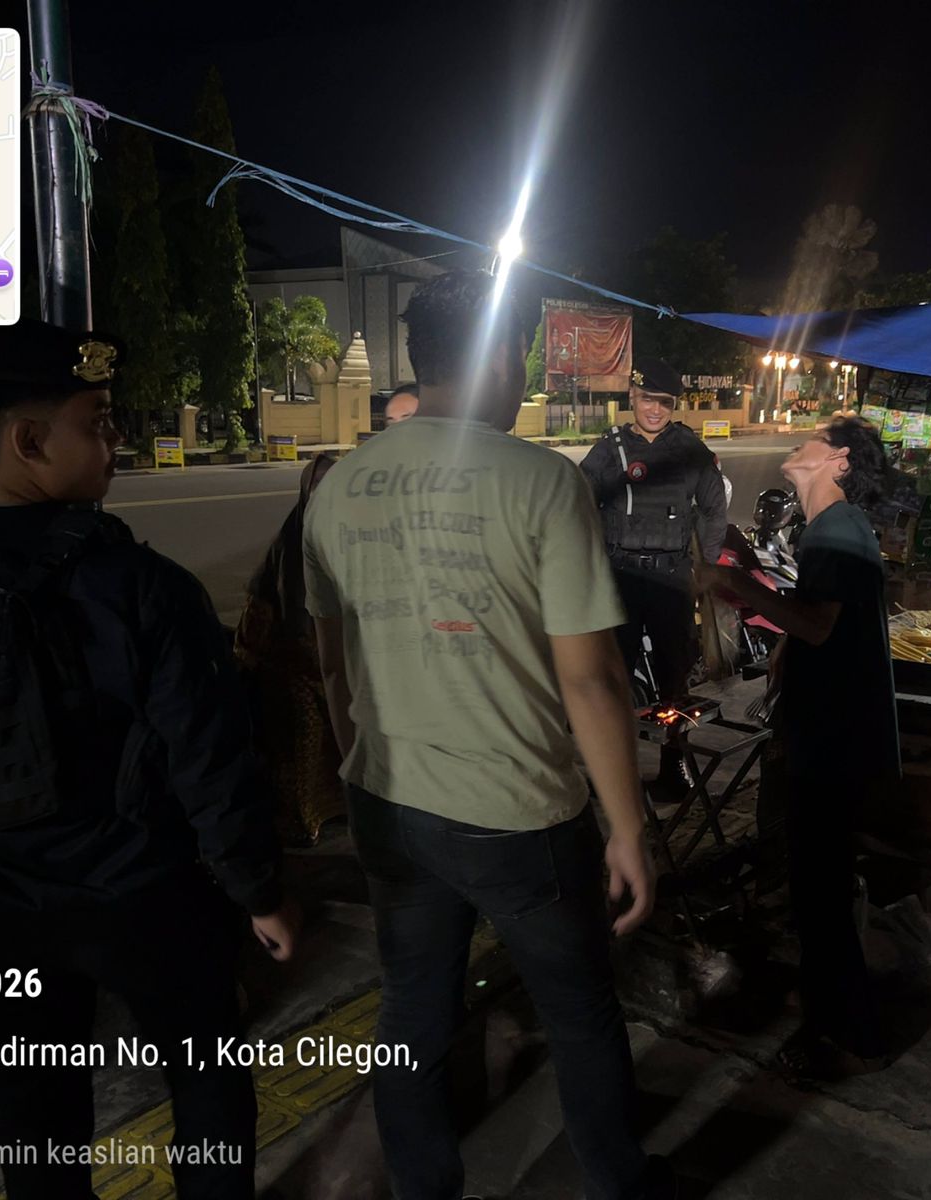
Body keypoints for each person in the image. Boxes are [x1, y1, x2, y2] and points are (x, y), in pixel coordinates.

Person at [0, 321, 298, 1200]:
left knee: (35, 1125)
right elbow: (211, 760)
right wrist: (260, 893)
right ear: (30, 440)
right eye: (100, 422)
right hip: (144, 896)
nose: (117, 442)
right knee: (205, 1080)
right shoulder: (137, 585)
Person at [302, 271, 673, 1200]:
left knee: (412, 1011)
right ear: (505, 357)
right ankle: (618, 1183)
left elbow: (335, 669)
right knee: (580, 1013)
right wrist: (628, 827)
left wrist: (363, 769)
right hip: (516, 811)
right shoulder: (542, 482)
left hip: (385, 800)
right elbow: (590, 678)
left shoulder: (337, 488)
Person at [695, 417, 899, 1077]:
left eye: (816, 438)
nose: (799, 442)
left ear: (839, 461)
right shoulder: (832, 529)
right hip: (829, 732)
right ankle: (837, 1019)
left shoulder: (835, 528)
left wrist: (736, 585)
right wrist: (783, 646)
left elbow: (817, 625)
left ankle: (850, 1036)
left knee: (821, 896)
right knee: (817, 889)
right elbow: (815, 622)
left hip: (833, 741)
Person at [580, 358, 728, 798]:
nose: (655, 410)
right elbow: (579, 503)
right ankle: (613, 770)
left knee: (674, 677)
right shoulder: (609, 449)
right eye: (648, 399)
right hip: (620, 577)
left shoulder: (689, 449)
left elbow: (714, 508)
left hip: (671, 579)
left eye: (665, 402)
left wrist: (707, 566)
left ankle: (674, 761)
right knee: (613, 677)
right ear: (632, 396)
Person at [236, 452, 346, 844]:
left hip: (339, 670)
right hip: (295, 672)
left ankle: (332, 817)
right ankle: (305, 826)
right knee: (302, 754)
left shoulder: (352, 539)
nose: (323, 493)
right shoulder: (290, 540)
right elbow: (266, 605)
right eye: (317, 485)